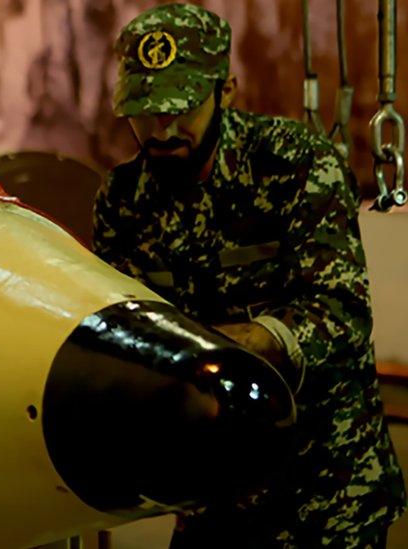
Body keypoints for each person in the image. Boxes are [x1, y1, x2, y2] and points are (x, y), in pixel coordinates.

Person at [93, 3, 406, 547]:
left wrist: (222, 348)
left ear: (227, 91)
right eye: (145, 110)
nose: (161, 128)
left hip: (325, 496)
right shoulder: (124, 201)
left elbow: (340, 317)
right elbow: (119, 328)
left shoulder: (296, 165)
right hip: (211, 495)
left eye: (181, 109)